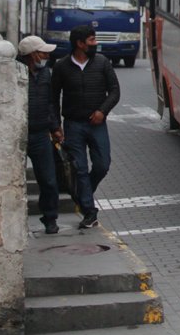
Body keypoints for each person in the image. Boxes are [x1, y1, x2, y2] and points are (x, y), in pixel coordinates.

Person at [51, 25, 120, 229]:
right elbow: (53, 99)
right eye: (91, 40)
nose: (95, 43)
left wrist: (102, 111)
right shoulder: (62, 66)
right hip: (73, 125)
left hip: (97, 124)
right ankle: (89, 212)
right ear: (80, 44)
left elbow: (115, 91)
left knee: (102, 164)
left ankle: (83, 194)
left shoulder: (102, 63)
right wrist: (56, 126)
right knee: (79, 168)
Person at [17, 35, 62, 234]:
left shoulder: (45, 74)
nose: (46, 55)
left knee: (49, 180)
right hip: (19, 135)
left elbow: (51, 103)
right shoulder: (15, 73)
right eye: (42, 52)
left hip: (41, 134)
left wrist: (55, 127)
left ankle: (50, 218)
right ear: (32, 55)